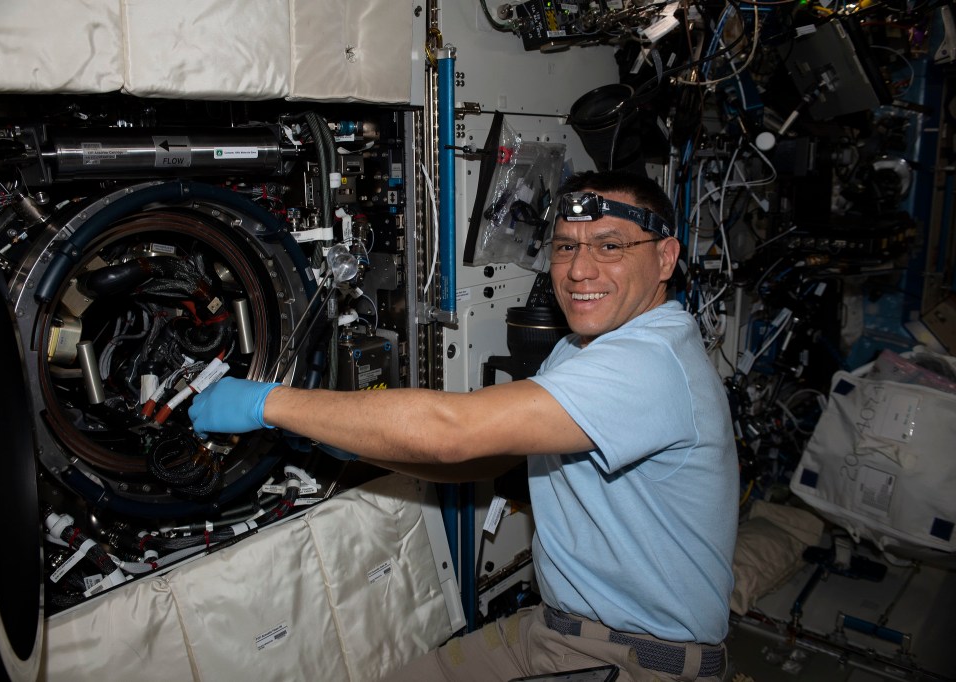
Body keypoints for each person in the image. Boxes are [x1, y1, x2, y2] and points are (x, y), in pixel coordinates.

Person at [189, 170, 738, 682]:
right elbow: (482, 460)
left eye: (610, 246)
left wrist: (271, 403)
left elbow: (452, 431)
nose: (579, 270)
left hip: (637, 660)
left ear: (666, 258)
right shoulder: (581, 350)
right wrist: (334, 439)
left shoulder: (650, 363)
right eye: (566, 246)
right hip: (558, 631)